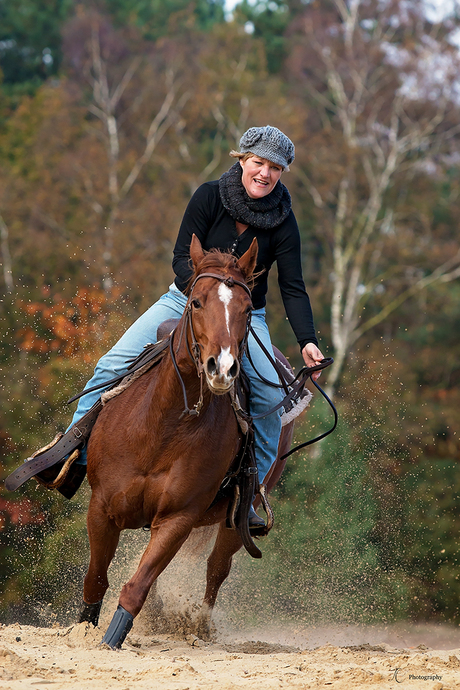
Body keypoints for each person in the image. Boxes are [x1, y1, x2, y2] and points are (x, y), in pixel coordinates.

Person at [69, 125, 324, 527]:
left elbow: (292, 287)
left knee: (270, 399)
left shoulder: (285, 223)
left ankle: (249, 496)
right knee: (110, 364)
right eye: (258, 162)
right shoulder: (208, 195)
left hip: (246, 316)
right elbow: (179, 256)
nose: (265, 173)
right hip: (183, 298)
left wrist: (307, 341)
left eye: (275, 168)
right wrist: (203, 298)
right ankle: (71, 454)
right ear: (242, 160)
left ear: (282, 173)